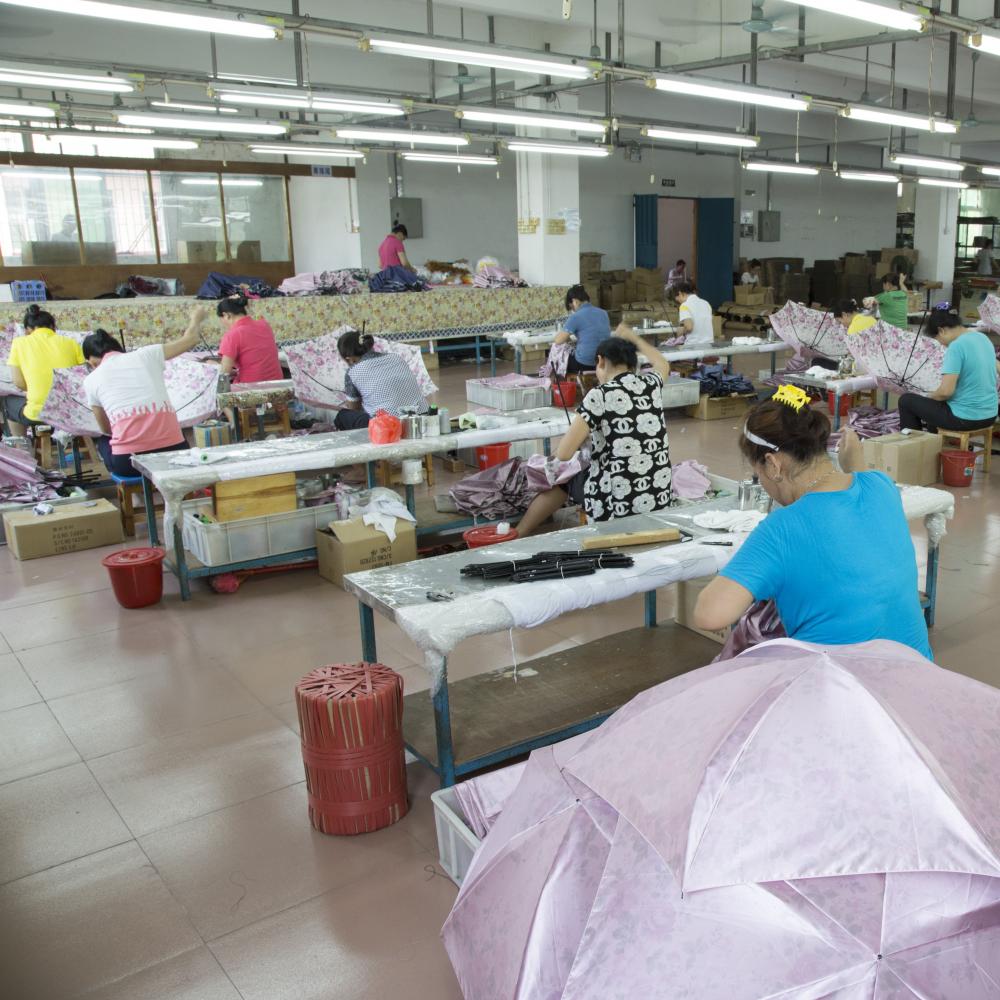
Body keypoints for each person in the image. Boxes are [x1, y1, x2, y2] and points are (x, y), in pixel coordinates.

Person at [693, 385, 932, 658]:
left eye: (759, 475)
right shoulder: (881, 486)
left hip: (840, 685)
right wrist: (853, 460)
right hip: (914, 667)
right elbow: (859, 486)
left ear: (773, 464)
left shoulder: (782, 528)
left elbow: (709, 615)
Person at [516, 325, 673, 535]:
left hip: (617, 504)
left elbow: (563, 454)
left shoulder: (598, 395)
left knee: (565, 477)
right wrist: (633, 338)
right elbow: (662, 363)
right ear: (633, 364)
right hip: (657, 495)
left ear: (600, 361)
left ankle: (519, 532)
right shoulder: (650, 384)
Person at [83, 307, 208, 477]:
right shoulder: (147, 354)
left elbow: (106, 428)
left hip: (129, 462)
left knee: (104, 440)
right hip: (175, 453)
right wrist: (196, 318)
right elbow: (191, 339)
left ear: (91, 360)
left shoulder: (91, 379)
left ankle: (136, 496)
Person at [897, 310, 1000, 434]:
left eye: (938, 339)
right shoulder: (982, 338)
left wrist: (929, 396)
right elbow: (995, 366)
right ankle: (933, 442)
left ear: (942, 330)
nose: (942, 345)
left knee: (906, 401)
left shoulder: (956, 347)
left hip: (965, 418)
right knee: (934, 409)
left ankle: (912, 448)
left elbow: (946, 392)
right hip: (990, 415)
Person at [3, 304, 84, 436]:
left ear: (28, 330)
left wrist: (36, 387)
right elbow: (81, 378)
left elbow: (18, 383)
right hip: (73, 413)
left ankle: (23, 449)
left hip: (38, 414)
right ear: (53, 327)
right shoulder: (72, 343)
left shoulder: (19, 343)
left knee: (9, 402)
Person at [334, 329, 428, 431]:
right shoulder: (396, 357)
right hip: (423, 416)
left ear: (349, 359)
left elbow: (354, 409)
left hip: (389, 426)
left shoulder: (352, 372)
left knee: (343, 416)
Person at [217, 295, 282, 385]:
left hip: (251, 391)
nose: (224, 324)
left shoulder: (232, 335)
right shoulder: (264, 325)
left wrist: (213, 367)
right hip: (279, 386)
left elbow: (224, 373)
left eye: (221, 320)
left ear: (226, 315)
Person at [553, 284, 611, 374]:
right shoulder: (603, 313)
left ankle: (565, 385)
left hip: (585, 363)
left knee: (558, 357)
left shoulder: (576, 316)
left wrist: (567, 338)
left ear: (575, 301)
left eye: (572, 307)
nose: (573, 310)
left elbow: (558, 340)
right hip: (604, 361)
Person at [669, 281, 714, 346]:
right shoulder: (706, 303)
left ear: (680, 293)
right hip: (709, 345)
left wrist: (681, 331)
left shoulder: (684, 305)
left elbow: (689, 327)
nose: (679, 302)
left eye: (677, 299)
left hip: (693, 346)